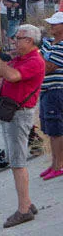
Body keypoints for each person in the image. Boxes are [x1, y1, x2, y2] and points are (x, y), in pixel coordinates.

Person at [0, 24, 44, 228]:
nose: (14, 41)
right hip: (12, 114)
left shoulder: (34, 61)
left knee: (18, 161)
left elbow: (11, 76)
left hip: (20, 115)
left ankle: (23, 210)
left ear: (29, 41)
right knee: (13, 158)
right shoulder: (20, 58)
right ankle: (27, 202)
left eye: (18, 38)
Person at [40, 12, 63, 181]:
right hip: (46, 90)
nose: (52, 26)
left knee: (57, 129)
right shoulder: (49, 43)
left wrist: (38, 62)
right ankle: (54, 163)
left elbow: (49, 66)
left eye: (55, 24)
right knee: (50, 129)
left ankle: (59, 165)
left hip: (57, 89)